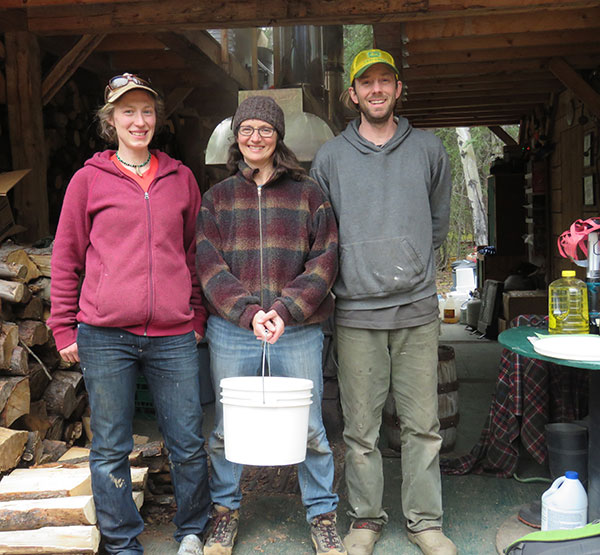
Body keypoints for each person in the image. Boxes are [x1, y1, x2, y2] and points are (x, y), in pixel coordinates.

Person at [48, 73, 211, 555]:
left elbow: (195, 254)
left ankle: (191, 533)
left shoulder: (180, 180)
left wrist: (196, 316)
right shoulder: (87, 180)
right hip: (104, 334)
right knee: (111, 446)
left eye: (146, 111)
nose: (138, 121)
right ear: (110, 121)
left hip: (173, 334)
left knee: (186, 441)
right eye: (127, 112)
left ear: (156, 118)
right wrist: (62, 328)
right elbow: (67, 256)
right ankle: (122, 543)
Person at [310, 49, 457, 555]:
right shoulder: (330, 157)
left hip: (415, 307)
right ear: (353, 94)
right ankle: (366, 520)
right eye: (366, 82)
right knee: (361, 429)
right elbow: (323, 233)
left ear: (398, 90)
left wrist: (412, 258)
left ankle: (425, 522)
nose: (376, 90)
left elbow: (438, 221)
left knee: (423, 426)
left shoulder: (430, 149)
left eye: (385, 81)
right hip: (356, 312)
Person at [195, 95, 346, 555]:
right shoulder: (217, 198)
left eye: (264, 130)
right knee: (226, 428)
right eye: (246, 130)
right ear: (236, 139)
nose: (255, 138)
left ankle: (321, 515)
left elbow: (325, 261)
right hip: (233, 330)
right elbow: (207, 263)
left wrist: (284, 309)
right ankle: (224, 513)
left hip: (296, 329)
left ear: (278, 138)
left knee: (311, 427)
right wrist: (247, 311)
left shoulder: (308, 194)